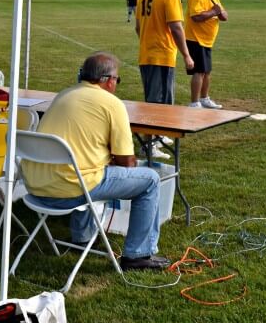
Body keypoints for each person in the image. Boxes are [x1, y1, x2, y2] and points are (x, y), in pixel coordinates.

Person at [20, 52, 169, 271]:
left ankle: (82, 238)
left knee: (88, 170)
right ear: (108, 80)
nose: (116, 84)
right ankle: (138, 254)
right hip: (70, 191)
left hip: (36, 187)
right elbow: (127, 163)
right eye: (117, 80)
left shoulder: (63, 95)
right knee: (150, 180)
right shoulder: (112, 104)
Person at [135, 0, 194, 105]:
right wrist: (187, 55)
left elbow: (138, 27)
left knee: (151, 101)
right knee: (162, 107)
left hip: (146, 55)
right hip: (162, 56)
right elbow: (176, 27)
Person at [184, 0, 229, 109]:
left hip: (207, 40)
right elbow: (196, 17)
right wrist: (213, 12)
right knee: (199, 71)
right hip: (195, 39)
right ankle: (194, 102)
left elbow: (224, 16)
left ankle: (204, 98)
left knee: (207, 71)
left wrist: (220, 13)